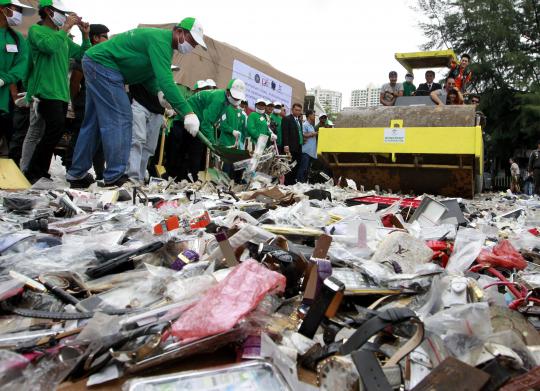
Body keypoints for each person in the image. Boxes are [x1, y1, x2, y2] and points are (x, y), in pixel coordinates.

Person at [66, 17, 206, 188]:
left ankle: (77, 174)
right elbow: (166, 81)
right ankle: (115, 176)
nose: (192, 47)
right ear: (179, 32)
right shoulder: (160, 41)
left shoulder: (162, 44)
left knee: (93, 123)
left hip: (96, 62)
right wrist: (188, 112)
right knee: (122, 117)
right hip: (104, 65)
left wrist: (159, 93)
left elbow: (148, 74)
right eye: (192, 41)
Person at [22, 0, 91, 183]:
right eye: (61, 12)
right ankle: (32, 171)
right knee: (51, 129)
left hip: (61, 93)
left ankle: (38, 171)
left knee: (53, 131)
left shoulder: (64, 39)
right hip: (44, 91)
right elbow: (49, 47)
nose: (65, 16)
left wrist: (85, 36)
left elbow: (84, 55)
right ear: (48, 11)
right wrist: (66, 28)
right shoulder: (36, 31)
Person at [174, 78, 246, 181]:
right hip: (187, 118)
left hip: (198, 120)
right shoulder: (219, 100)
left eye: (237, 98)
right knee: (192, 152)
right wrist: (213, 144)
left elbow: (212, 121)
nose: (235, 100)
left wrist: (213, 142)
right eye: (234, 97)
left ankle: (189, 178)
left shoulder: (225, 102)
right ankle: (187, 180)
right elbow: (206, 123)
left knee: (196, 152)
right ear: (228, 91)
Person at [64, 23, 109, 180]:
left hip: (100, 102)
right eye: (105, 36)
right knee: (81, 133)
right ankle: (71, 166)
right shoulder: (87, 55)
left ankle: (100, 171)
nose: (107, 40)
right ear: (95, 38)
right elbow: (75, 82)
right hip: (85, 100)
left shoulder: (103, 56)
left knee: (100, 137)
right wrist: (75, 102)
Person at [0, 0, 34, 150]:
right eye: (16, 9)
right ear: (2, 9)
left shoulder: (17, 38)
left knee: (10, 134)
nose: (19, 14)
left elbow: (22, 64)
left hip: (5, 99)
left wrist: (4, 79)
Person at [126, 83, 172, 183]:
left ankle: (140, 178)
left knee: (149, 147)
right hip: (139, 102)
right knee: (137, 141)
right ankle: (132, 177)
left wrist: (166, 110)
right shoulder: (143, 68)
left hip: (158, 111)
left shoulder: (164, 75)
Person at [281, 102, 303, 185]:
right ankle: (287, 183)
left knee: (297, 164)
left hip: (299, 146)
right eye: (296, 110)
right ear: (292, 110)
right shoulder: (287, 119)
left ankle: (293, 181)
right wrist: (286, 145)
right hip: (290, 147)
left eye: (299, 110)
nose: (298, 112)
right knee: (289, 165)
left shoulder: (299, 121)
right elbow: (285, 133)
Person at [297, 109, 317, 183]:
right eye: (313, 115)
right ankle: (299, 182)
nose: (314, 116)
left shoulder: (311, 125)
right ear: (309, 115)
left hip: (310, 152)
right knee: (303, 168)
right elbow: (303, 134)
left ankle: (304, 183)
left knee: (307, 169)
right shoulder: (305, 124)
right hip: (305, 151)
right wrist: (314, 133)